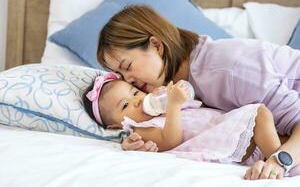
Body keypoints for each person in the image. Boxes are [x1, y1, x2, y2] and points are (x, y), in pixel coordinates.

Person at [96, 5, 300, 179]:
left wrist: (278, 163)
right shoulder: (175, 89)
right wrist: (140, 144)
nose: (128, 80)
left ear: (156, 46)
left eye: (128, 66)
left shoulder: (229, 70)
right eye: (120, 75)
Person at [83, 72, 290, 180]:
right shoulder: (138, 129)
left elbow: (189, 96)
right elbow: (170, 139)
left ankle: (282, 162)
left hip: (223, 126)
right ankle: (280, 170)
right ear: (113, 126)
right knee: (260, 114)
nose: (137, 101)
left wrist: (171, 95)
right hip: (219, 137)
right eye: (125, 105)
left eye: (135, 92)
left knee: (285, 141)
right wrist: (172, 105)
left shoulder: (158, 107)